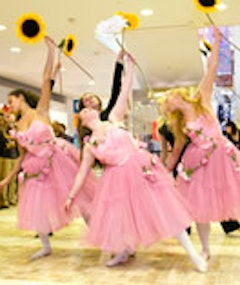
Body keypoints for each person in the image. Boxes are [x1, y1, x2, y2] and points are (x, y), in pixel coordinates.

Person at [65, 54, 207, 272]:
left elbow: (123, 91)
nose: (87, 109)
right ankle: (123, 251)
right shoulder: (90, 144)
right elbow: (81, 173)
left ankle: (194, 254)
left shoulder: (114, 118)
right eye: (83, 110)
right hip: (116, 180)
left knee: (164, 210)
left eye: (89, 107)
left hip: (139, 169)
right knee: (121, 219)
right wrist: (71, 196)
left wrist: (129, 67)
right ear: (82, 121)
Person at [160, 28, 240, 261]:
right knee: (200, 210)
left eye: (167, 99)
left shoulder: (201, 99)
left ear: (177, 95)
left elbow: (211, 69)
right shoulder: (179, 125)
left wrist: (217, 42)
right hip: (198, 163)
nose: (166, 103)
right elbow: (176, 151)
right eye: (165, 104)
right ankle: (206, 248)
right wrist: (162, 173)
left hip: (222, 156)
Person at [0, 36, 96, 260]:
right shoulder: (17, 126)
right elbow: (21, 158)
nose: (9, 106)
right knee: (38, 207)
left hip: (57, 163)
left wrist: (50, 51)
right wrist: (6, 180)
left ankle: (101, 235)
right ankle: (46, 245)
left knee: (82, 201)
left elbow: (45, 80)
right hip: (34, 169)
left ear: (21, 98)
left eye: (11, 101)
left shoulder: (41, 110)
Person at [77, 50, 125, 150]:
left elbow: (116, 90)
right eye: (86, 100)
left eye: (92, 97)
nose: (90, 99)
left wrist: (119, 63)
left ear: (98, 100)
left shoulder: (108, 113)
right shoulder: (85, 125)